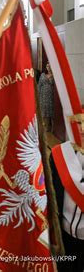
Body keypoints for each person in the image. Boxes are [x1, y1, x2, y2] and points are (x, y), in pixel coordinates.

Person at [49, 113, 84, 271]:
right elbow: (50, 195)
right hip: (64, 237)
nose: (82, 129)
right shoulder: (59, 155)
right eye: (79, 122)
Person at [38, 63, 54, 132]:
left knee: (51, 111)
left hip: (51, 95)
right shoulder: (43, 75)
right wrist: (38, 95)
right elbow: (39, 85)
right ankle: (46, 127)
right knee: (44, 110)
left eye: (50, 66)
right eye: (47, 66)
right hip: (43, 94)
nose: (48, 67)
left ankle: (53, 128)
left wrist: (52, 75)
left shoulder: (54, 75)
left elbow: (53, 84)